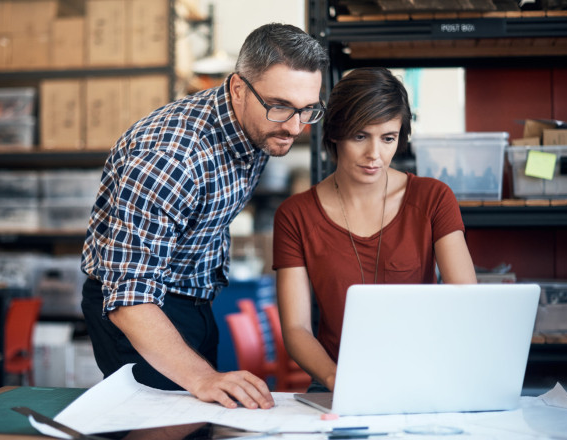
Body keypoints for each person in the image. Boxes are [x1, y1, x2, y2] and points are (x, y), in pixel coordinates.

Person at [80, 23, 329, 410]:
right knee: (162, 424)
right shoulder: (170, 158)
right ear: (238, 89)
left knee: (202, 417)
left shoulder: (261, 124)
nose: (295, 127)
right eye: (280, 106)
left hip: (195, 297)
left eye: (307, 109)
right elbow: (129, 295)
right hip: (139, 309)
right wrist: (202, 377)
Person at [272, 67, 477, 393]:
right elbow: (296, 328)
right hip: (336, 382)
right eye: (359, 136)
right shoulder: (295, 216)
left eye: (388, 138)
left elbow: (466, 301)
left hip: (424, 377)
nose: (374, 155)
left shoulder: (433, 198)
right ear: (335, 133)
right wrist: (333, 377)